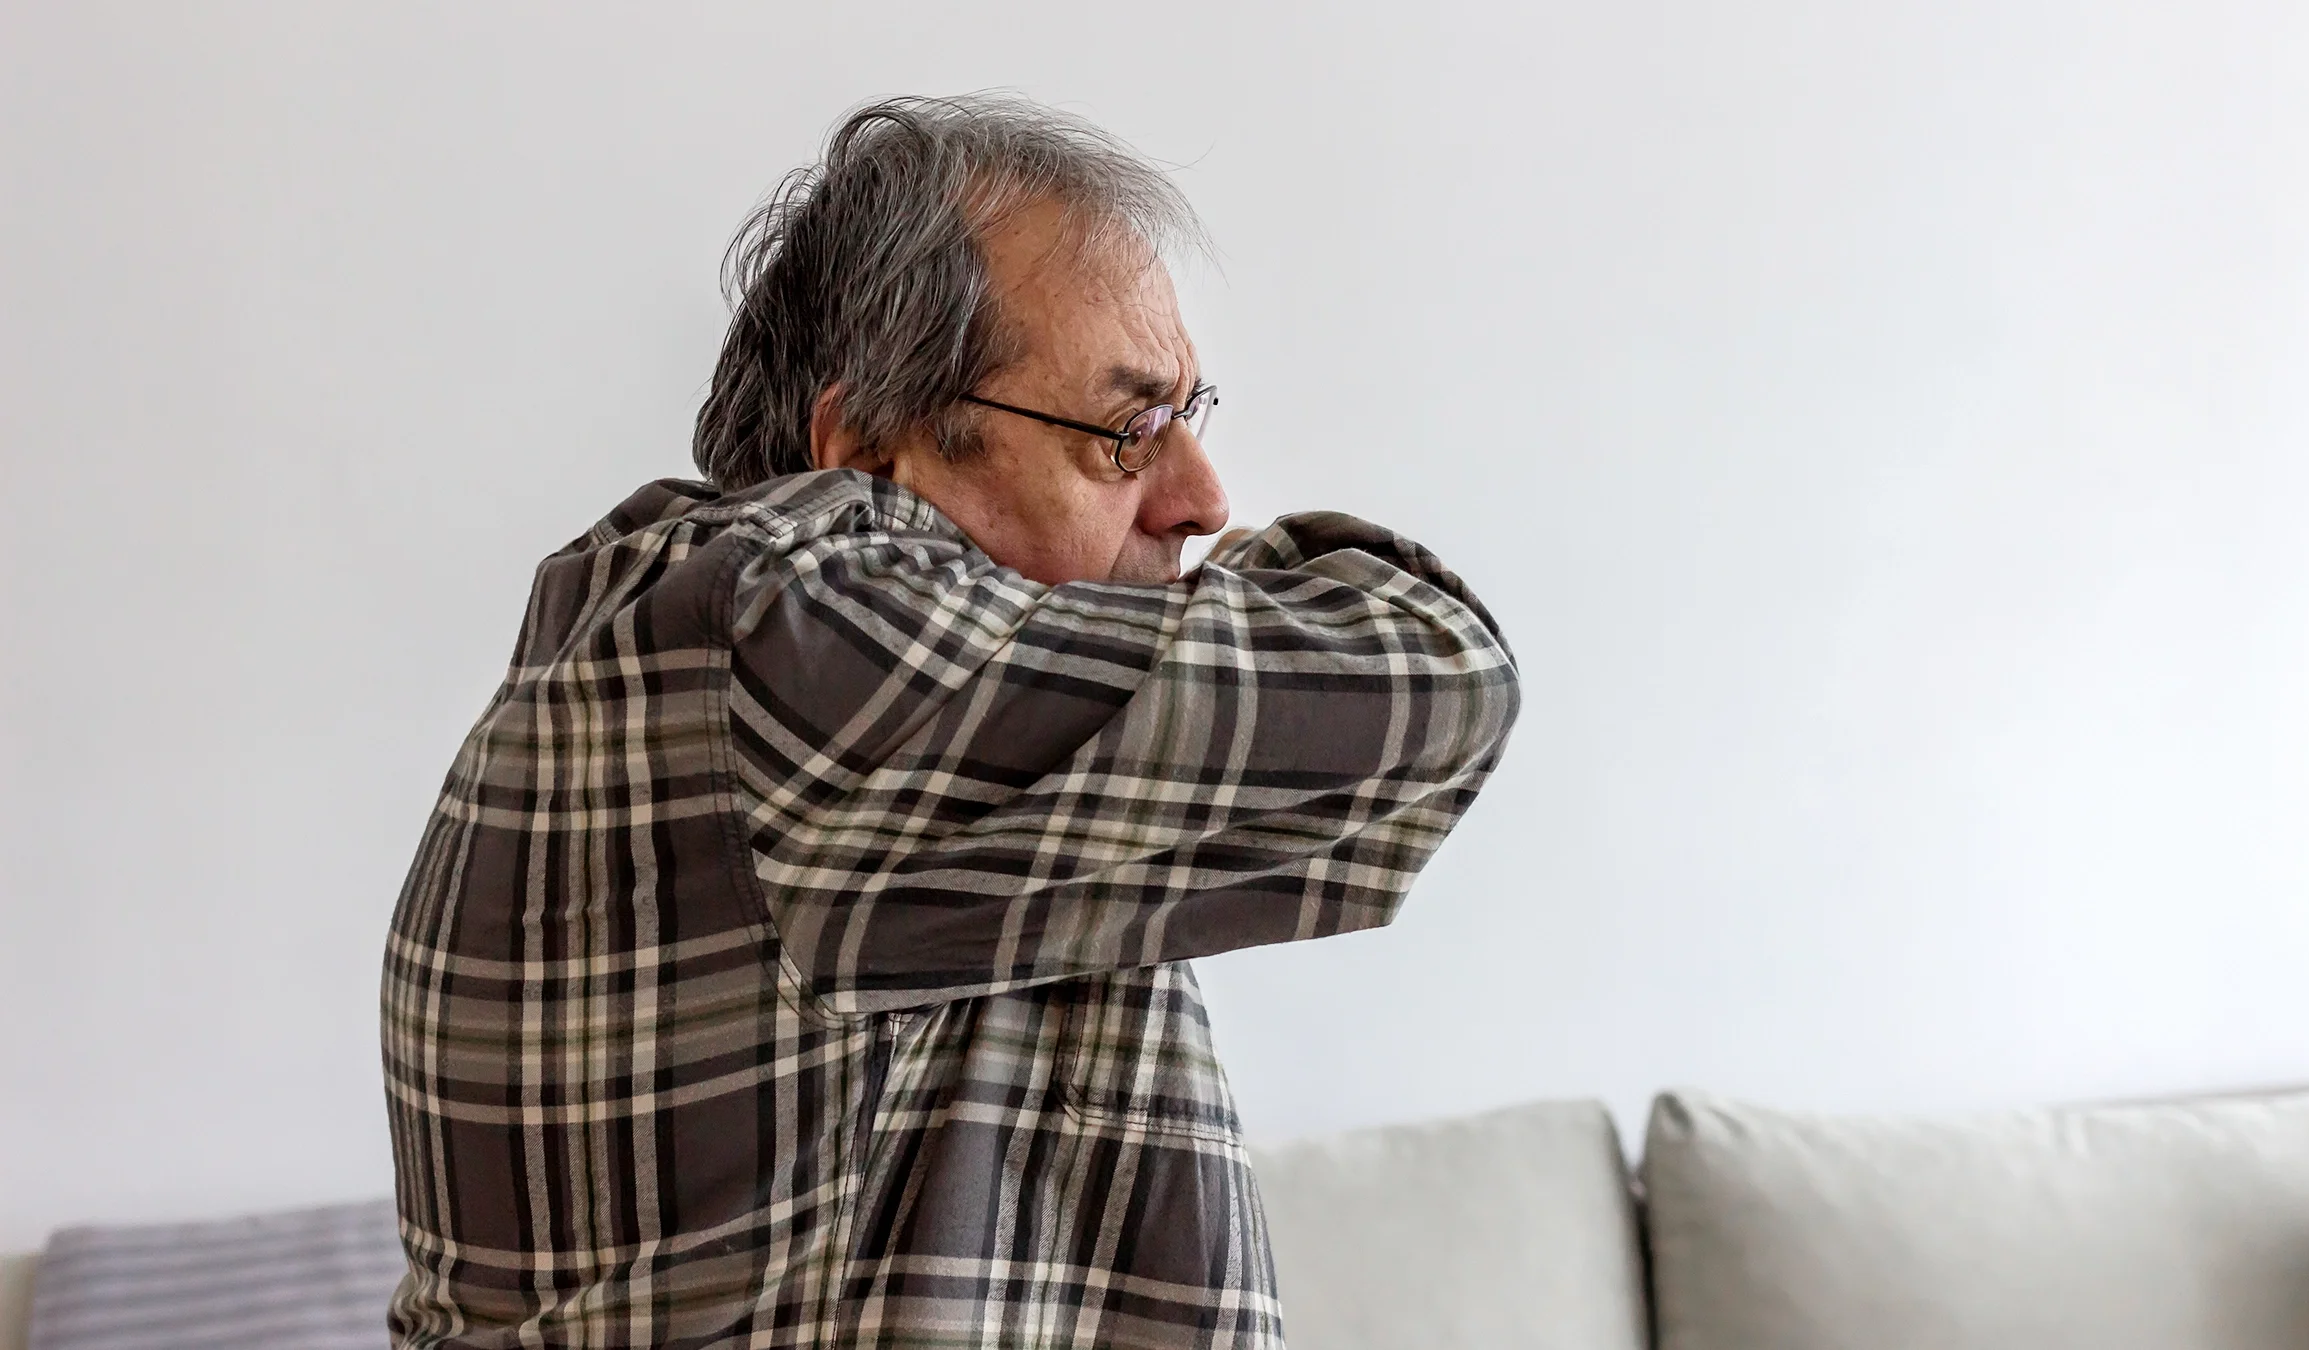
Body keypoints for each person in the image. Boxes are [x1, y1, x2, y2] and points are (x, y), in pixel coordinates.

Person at [381, 93, 1519, 1349]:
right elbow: (1435, 676)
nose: (1201, 500)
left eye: (1188, 419)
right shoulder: (797, 635)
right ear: (868, 454)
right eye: (1127, 433)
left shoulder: (757, 667)